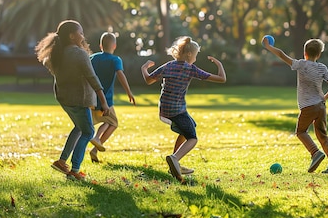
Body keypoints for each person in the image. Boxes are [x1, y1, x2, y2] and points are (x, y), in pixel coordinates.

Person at [141, 36, 226, 182]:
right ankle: (174, 158)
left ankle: (175, 164)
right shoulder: (190, 69)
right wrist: (219, 65)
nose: (196, 58)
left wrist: (144, 68)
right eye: (195, 55)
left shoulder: (168, 65)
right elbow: (222, 79)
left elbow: (148, 80)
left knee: (190, 126)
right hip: (177, 110)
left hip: (164, 108)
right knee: (192, 138)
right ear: (189, 55)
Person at [35, 20, 109, 181]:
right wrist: (103, 101)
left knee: (79, 128)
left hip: (65, 99)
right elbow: (93, 78)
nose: (83, 36)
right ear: (71, 36)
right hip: (79, 100)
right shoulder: (79, 54)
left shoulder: (57, 54)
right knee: (88, 131)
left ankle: (62, 161)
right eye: (80, 33)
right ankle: (74, 170)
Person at [262, 36, 328, 174]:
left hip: (307, 107)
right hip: (321, 106)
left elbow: (281, 54)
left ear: (305, 53)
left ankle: (315, 153)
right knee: (322, 135)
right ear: (319, 54)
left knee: (300, 131)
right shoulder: (322, 67)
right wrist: (325, 97)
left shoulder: (300, 64)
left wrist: (269, 47)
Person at [88, 32, 136, 163]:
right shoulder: (115, 60)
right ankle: (97, 140)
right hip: (106, 99)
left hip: (92, 97)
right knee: (113, 123)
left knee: (108, 121)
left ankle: (95, 148)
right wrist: (129, 92)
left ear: (100, 45)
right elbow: (120, 75)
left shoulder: (93, 58)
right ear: (114, 45)